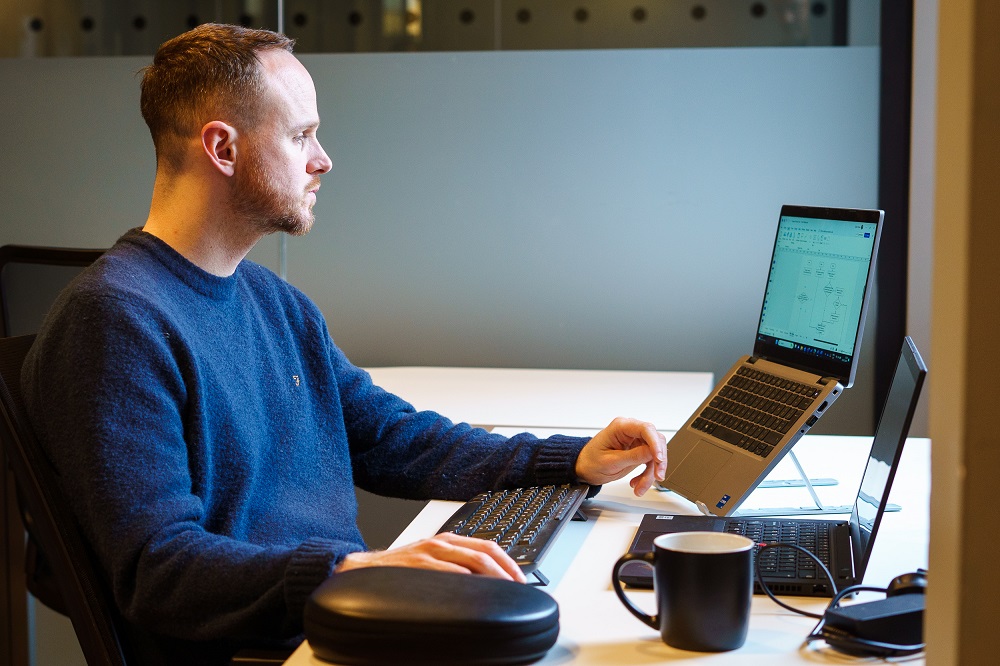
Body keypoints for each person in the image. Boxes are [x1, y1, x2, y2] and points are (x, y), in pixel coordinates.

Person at [21, 23, 667, 665]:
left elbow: (395, 438)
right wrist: (357, 572)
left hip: (334, 629)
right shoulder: (114, 323)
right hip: (270, 651)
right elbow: (158, 570)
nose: (323, 158)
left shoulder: (272, 301)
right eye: (301, 135)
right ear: (222, 148)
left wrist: (571, 460)